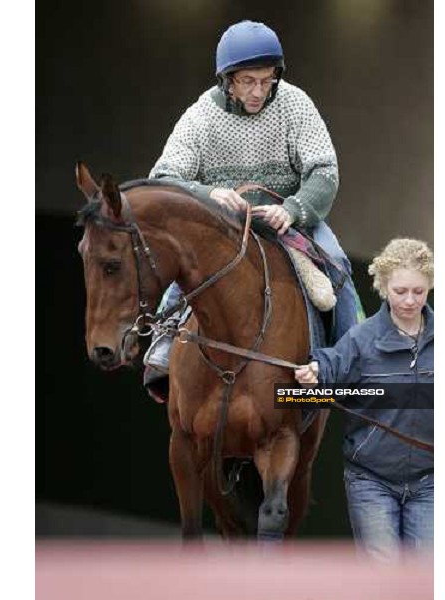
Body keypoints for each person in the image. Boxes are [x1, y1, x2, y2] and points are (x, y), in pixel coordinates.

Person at [144, 20, 364, 375]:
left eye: (266, 80)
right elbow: (163, 177)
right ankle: (163, 343)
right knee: (179, 266)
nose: (259, 91)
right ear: (227, 79)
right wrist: (210, 193)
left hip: (289, 224)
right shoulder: (200, 117)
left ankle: (351, 363)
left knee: (337, 263)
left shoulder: (296, 104)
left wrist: (292, 210)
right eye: (248, 81)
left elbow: (324, 171)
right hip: (223, 227)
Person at [295, 238, 434, 561]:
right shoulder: (362, 337)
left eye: (419, 291)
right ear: (383, 286)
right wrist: (315, 371)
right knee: (382, 575)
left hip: (432, 481)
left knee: (425, 577)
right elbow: (332, 364)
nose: (410, 301)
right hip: (371, 480)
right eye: (400, 291)